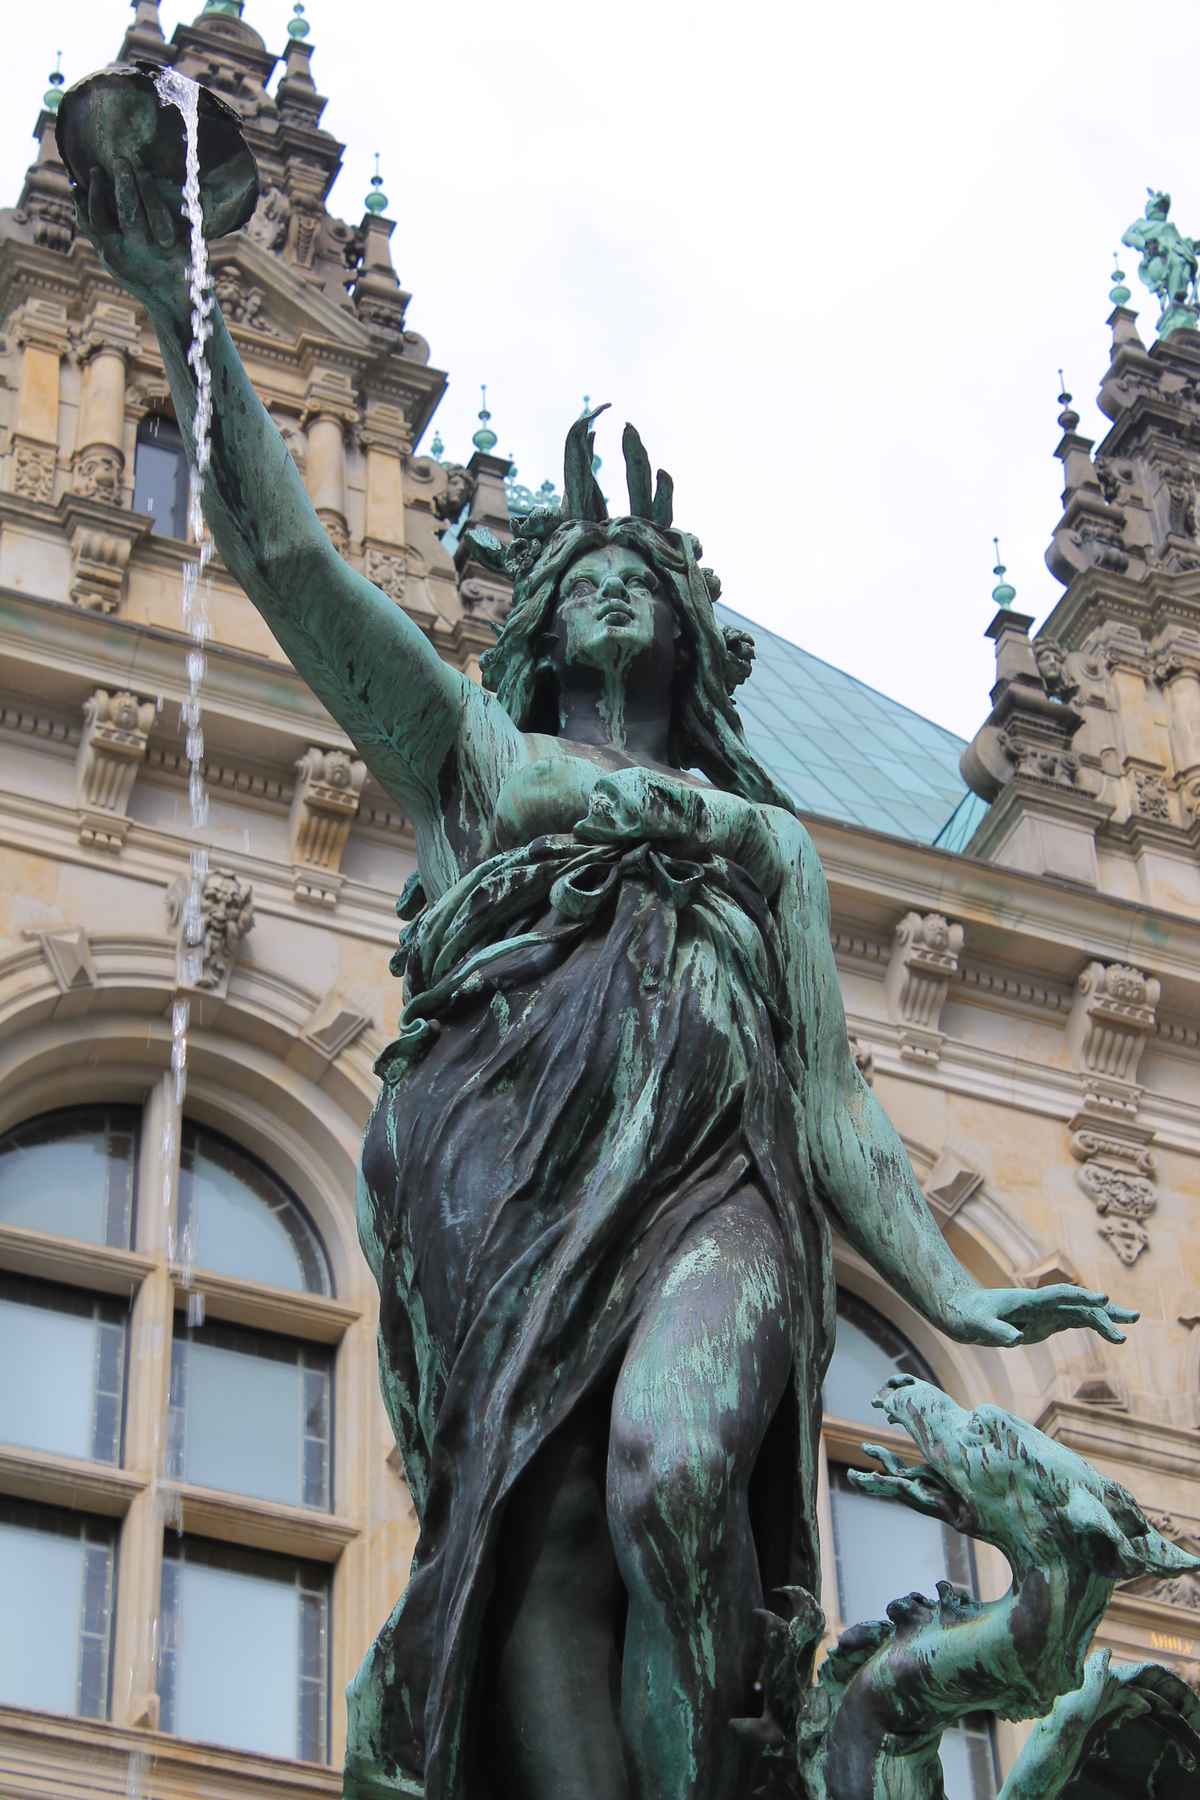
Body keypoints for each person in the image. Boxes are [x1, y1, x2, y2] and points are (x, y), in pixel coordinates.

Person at [76, 152, 1135, 1800]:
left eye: (643, 576)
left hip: (717, 1177)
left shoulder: (765, 840)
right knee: (545, 1533)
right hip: (510, 1169)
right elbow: (291, 564)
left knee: (673, 1470)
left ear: (692, 639)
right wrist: (179, 307)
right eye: (583, 579)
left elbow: (835, 1098)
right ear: (540, 632)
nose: (614, 587)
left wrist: (950, 1287)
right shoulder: (476, 760)